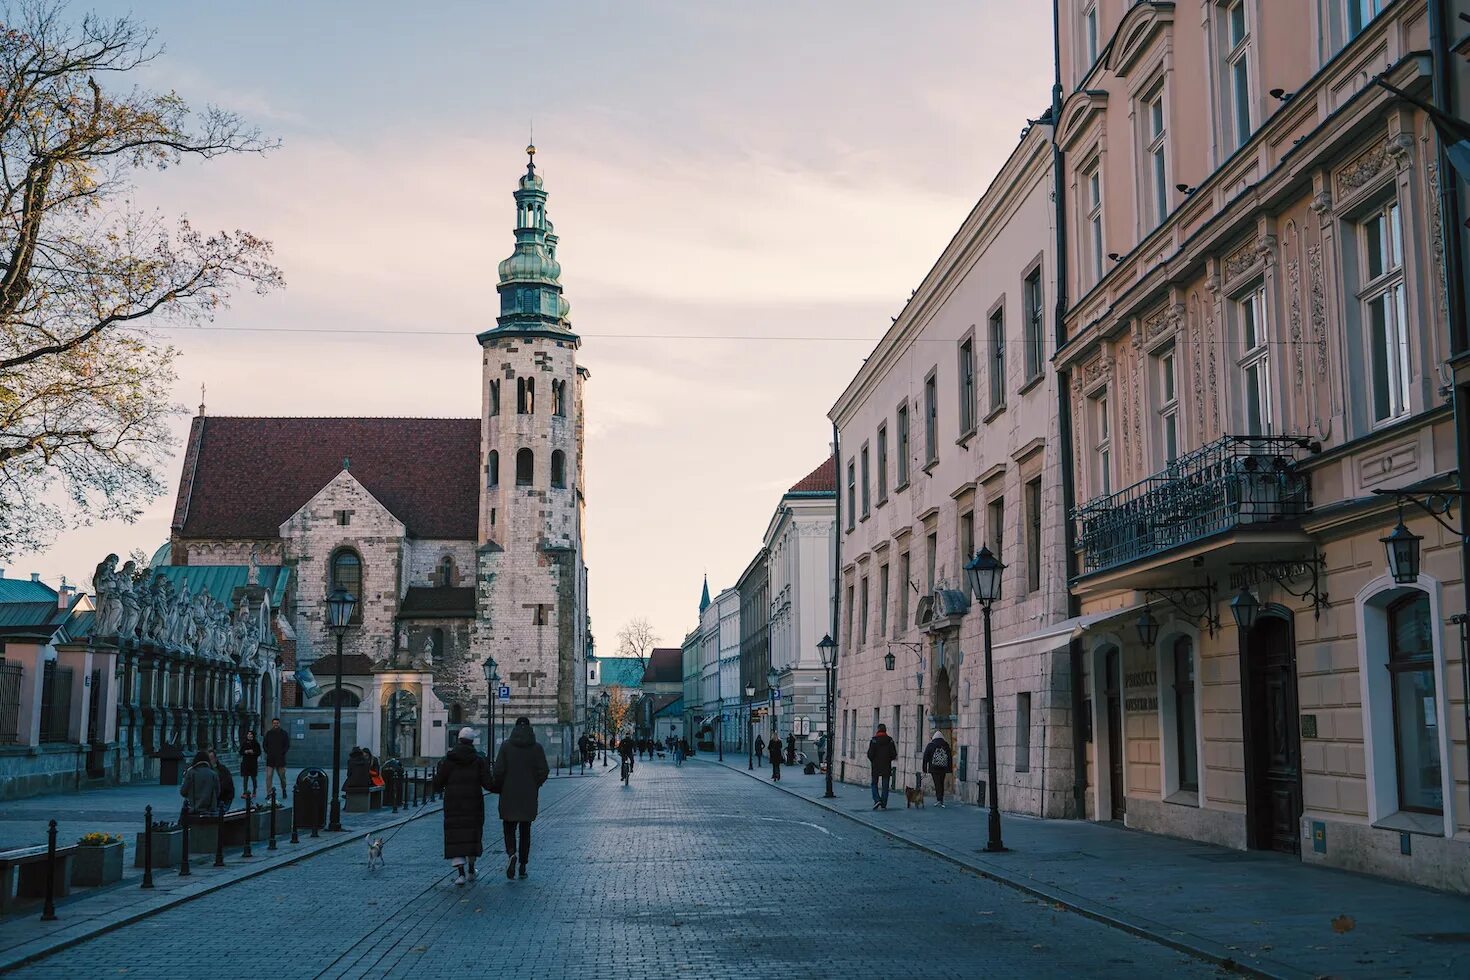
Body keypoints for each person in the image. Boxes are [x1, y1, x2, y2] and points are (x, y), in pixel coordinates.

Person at [432, 727, 495, 887]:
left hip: (453, 803)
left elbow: (439, 781)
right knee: (471, 835)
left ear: (459, 740)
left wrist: (437, 786)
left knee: (455, 836)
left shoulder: (449, 759)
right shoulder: (478, 760)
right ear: (472, 741)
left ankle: (460, 874)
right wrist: (502, 787)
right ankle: (472, 870)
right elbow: (487, 783)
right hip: (473, 803)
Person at [494, 717, 549, 880]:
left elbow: (498, 771)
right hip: (528, 795)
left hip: (509, 794)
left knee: (509, 827)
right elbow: (544, 771)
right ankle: (523, 865)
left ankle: (511, 853)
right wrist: (534, 784)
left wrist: (501, 786)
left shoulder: (505, 746)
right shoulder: (536, 748)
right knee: (526, 831)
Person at [180, 749, 219, 822]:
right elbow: (217, 792)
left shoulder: (191, 773)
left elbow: (183, 791)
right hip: (210, 811)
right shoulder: (213, 774)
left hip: (194, 810)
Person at [867, 723, 898, 810]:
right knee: (885, 785)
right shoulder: (890, 740)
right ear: (885, 730)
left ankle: (877, 800)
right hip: (886, 765)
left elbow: (870, 754)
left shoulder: (874, 740)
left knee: (874, 783)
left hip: (876, 766)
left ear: (878, 730)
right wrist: (888, 759)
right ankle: (884, 803)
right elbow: (894, 754)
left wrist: (873, 760)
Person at [922, 730, 953, 807]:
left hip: (934, 768)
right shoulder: (945, 745)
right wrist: (949, 768)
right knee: (941, 783)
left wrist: (924, 768)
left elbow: (925, 757)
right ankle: (941, 799)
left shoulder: (931, 745)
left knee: (937, 783)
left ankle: (938, 799)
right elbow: (949, 757)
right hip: (943, 768)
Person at [263, 717, 289, 799]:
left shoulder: (284, 733)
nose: (275, 724)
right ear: (272, 724)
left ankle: (284, 789)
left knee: (282, 777)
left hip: (280, 759)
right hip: (270, 758)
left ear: (279, 724)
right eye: (274, 723)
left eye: (277, 723)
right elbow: (265, 744)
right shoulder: (269, 733)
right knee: (269, 776)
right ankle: (269, 793)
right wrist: (268, 752)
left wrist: (282, 753)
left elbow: (287, 745)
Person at [207, 748, 235, 815]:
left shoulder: (223, 770)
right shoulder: (206, 770)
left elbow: (225, 786)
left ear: (216, 759)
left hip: (224, 799)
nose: (210, 761)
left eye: (212, 758)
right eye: (208, 759)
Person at [239, 729, 261, 798]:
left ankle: (254, 791)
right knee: (245, 778)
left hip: (253, 763)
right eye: (248, 734)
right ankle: (245, 792)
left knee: (253, 778)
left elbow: (259, 752)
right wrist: (245, 752)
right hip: (245, 762)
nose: (249, 735)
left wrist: (253, 752)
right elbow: (240, 752)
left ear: (253, 736)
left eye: (251, 734)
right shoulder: (244, 743)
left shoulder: (256, 743)